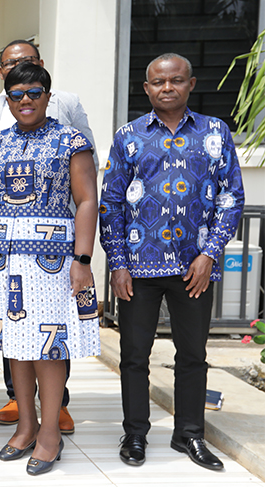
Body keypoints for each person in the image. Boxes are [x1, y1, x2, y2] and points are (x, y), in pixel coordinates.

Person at [100, 53, 241, 471]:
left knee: (193, 355)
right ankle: (136, 433)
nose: (167, 88)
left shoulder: (216, 133)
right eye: (158, 82)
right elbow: (111, 203)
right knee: (133, 355)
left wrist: (210, 253)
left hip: (194, 267)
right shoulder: (129, 136)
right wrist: (118, 263)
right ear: (146, 88)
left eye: (176, 80)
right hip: (138, 269)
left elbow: (231, 197)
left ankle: (189, 435)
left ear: (190, 84)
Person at [0, 39, 98, 433]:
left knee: (50, 346)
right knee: (16, 347)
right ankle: (26, 426)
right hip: (3, 261)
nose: (25, 100)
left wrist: (82, 261)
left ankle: (48, 433)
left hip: (55, 263)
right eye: (16, 95)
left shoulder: (71, 141)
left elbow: (87, 201)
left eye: (34, 93)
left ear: (47, 95)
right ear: (7, 99)